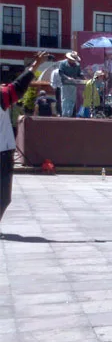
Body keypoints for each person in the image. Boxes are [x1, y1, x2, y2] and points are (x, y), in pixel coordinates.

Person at [2, 52, 49, 233]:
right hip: (3, 151)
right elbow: (20, 85)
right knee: (3, 196)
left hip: (4, 150)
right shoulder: (2, 95)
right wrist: (36, 64)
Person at [58, 51, 84, 117]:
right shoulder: (63, 63)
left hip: (73, 84)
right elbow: (61, 73)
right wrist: (67, 78)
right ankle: (64, 114)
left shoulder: (77, 65)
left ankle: (69, 114)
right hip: (65, 84)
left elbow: (79, 73)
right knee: (65, 99)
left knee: (72, 100)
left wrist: (83, 77)